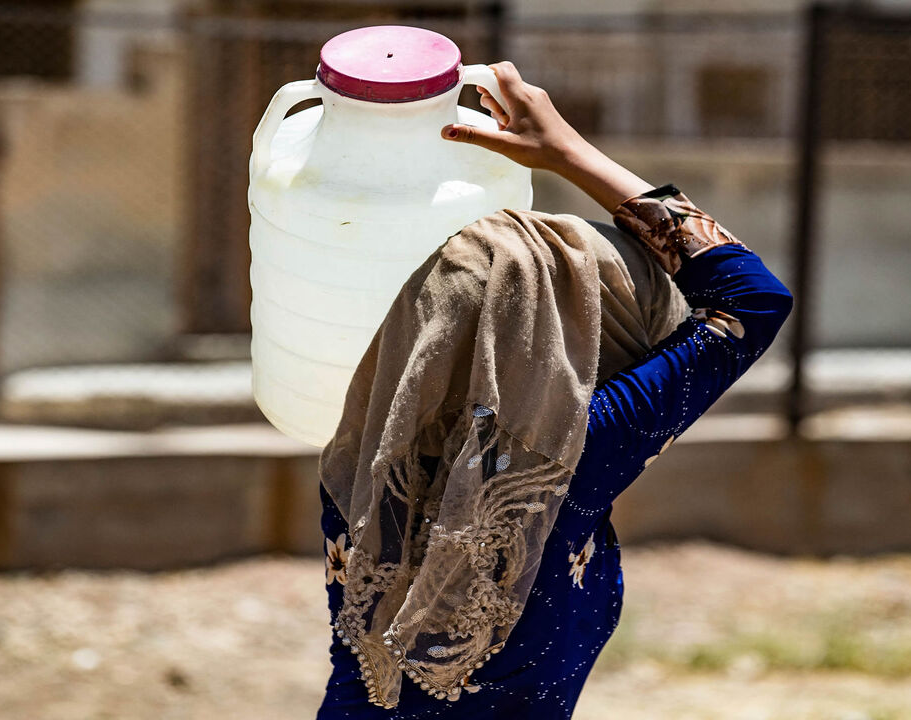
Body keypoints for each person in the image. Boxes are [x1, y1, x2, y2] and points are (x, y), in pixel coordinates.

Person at [317, 61, 793, 718]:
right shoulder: (567, 459)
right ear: (577, 337)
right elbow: (751, 300)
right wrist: (565, 153)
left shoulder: (368, 446)